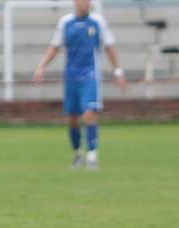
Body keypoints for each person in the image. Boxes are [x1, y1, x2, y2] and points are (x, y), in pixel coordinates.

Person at [33, 0, 126, 170]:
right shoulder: (65, 22)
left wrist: (118, 71)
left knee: (89, 114)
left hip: (90, 77)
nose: (86, 3)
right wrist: (41, 66)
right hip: (71, 78)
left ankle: (92, 156)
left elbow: (109, 47)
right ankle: (77, 154)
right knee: (72, 119)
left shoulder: (98, 22)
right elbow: (54, 47)